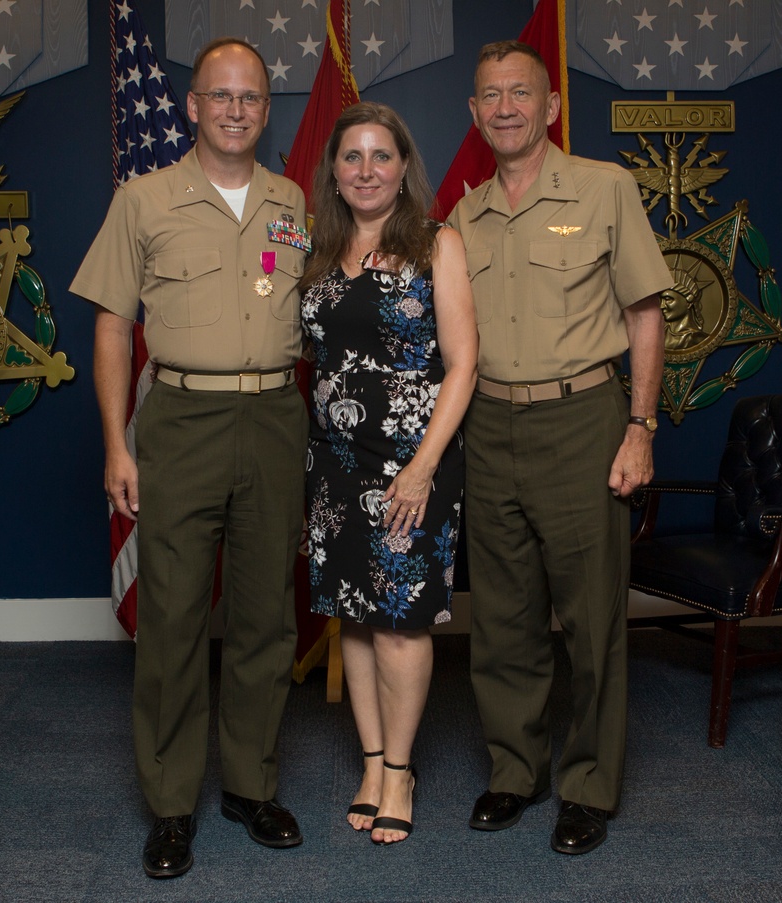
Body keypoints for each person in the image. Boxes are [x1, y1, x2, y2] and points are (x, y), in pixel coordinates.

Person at [70, 38, 310, 878]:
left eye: (250, 97)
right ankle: (173, 804)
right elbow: (109, 322)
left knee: (263, 614)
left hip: (278, 415)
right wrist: (114, 442)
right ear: (192, 106)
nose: (236, 109)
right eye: (220, 95)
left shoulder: (292, 199)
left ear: (264, 108)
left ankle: (250, 783)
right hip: (178, 417)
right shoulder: (144, 198)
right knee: (172, 617)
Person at [447, 41, 671, 856]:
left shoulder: (606, 188)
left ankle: (587, 785)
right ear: (474, 115)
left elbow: (645, 311)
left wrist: (639, 429)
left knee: (591, 620)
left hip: (583, 421)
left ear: (549, 108)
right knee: (502, 620)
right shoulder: (460, 219)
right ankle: (515, 772)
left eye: (521, 93)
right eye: (490, 96)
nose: (505, 107)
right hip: (490, 425)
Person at [300, 102, 478, 845]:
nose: (366, 170)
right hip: (334, 464)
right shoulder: (314, 250)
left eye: (381, 156)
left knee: (402, 621)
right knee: (354, 614)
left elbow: (464, 363)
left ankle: (401, 771)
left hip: (415, 464)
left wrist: (423, 467)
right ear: (334, 174)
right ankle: (371, 763)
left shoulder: (439, 244)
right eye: (352, 157)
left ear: (404, 168)